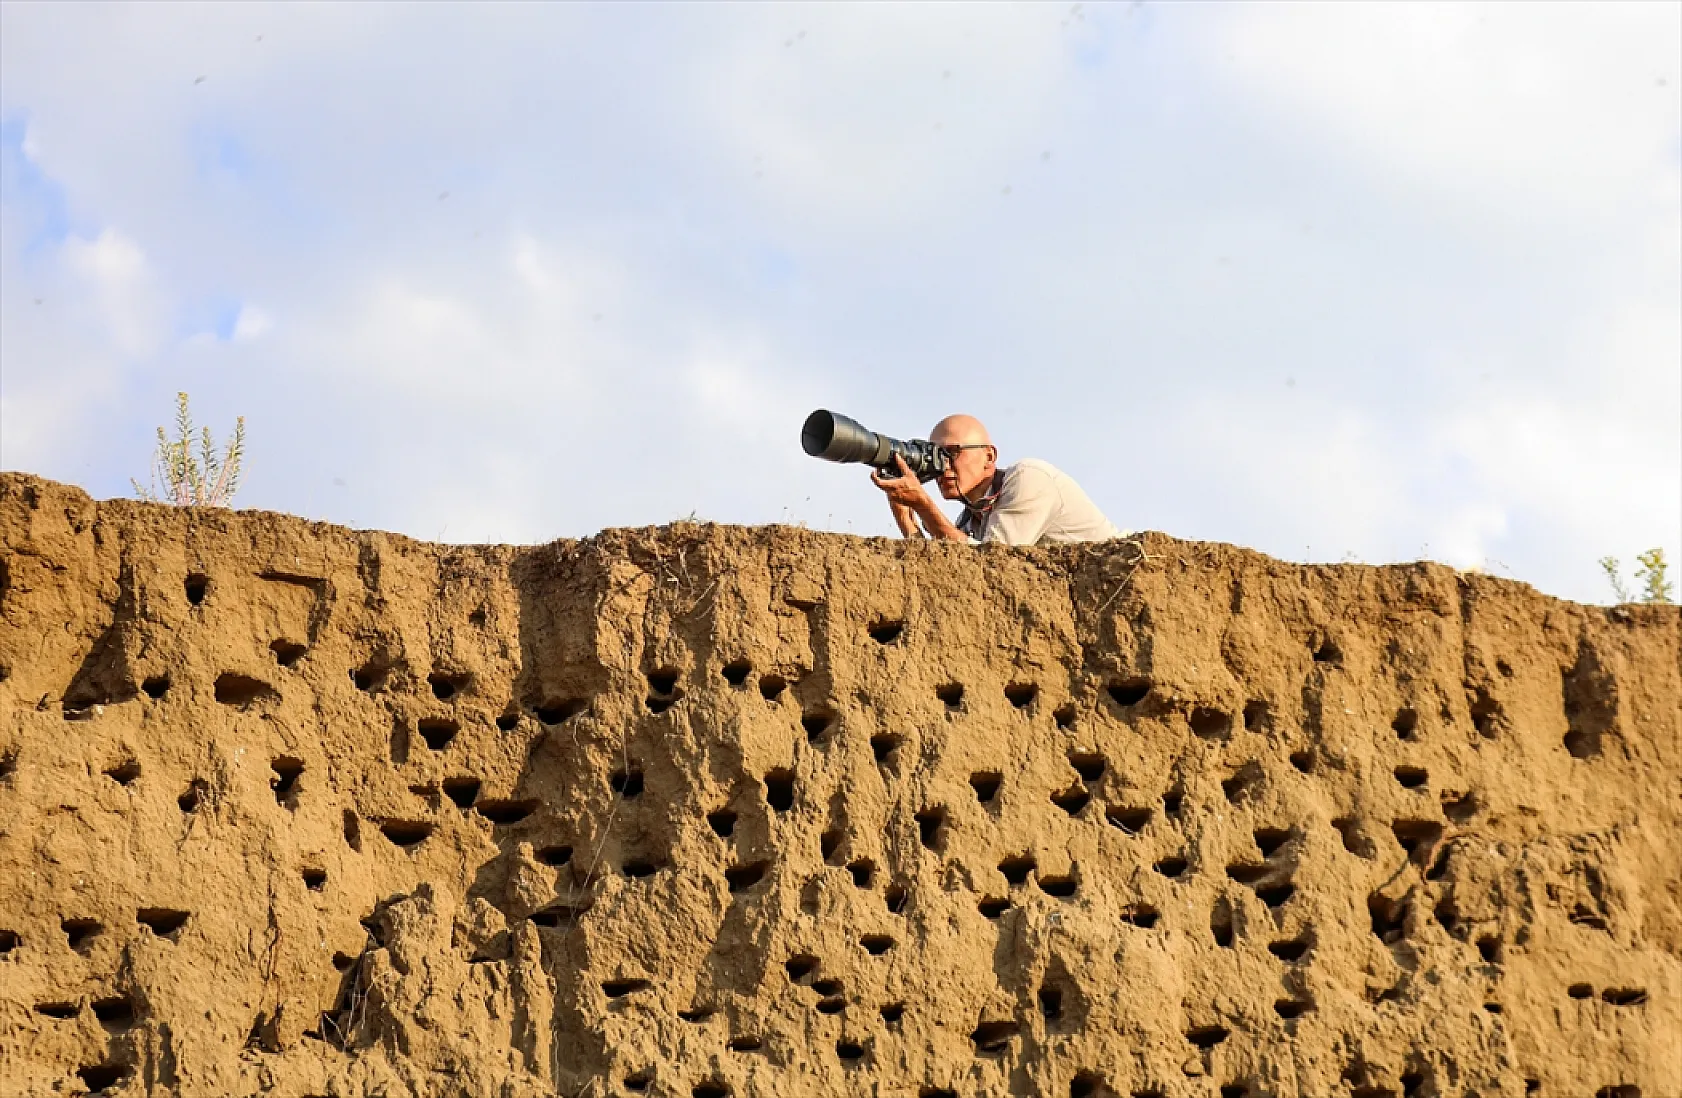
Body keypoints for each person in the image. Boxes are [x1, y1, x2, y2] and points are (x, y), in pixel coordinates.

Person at [870, 414, 1123, 545]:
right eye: (935, 456)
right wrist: (907, 520)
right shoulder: (970, 520)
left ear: (989, 456)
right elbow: (951, 572)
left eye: (953, 453)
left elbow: (990, 563)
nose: (943, 466)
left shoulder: (1028, 478)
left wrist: (924, 505)